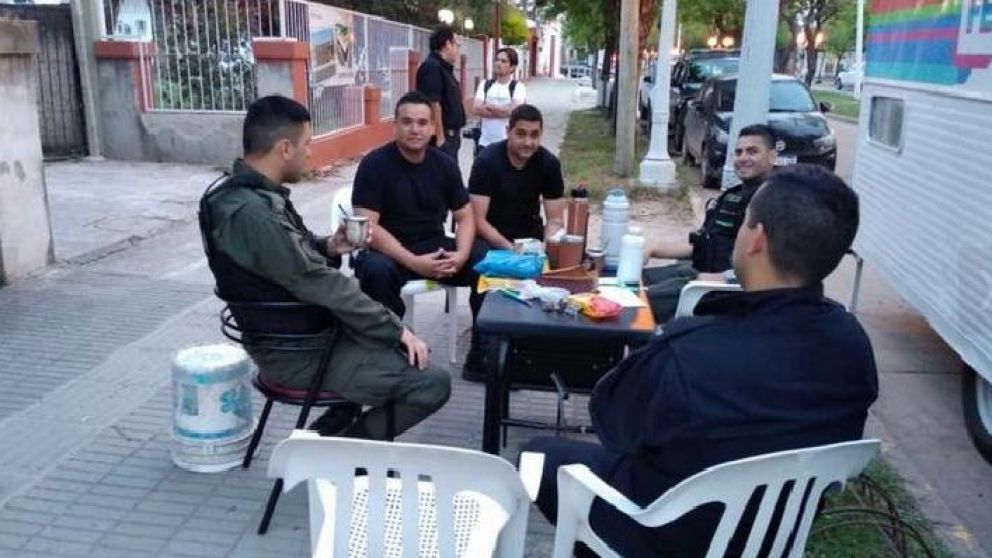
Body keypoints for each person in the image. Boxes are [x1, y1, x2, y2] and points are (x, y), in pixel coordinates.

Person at [524, 164, 879, 557]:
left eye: (744, 222)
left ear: (757, 239)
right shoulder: (853, 346)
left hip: (663, 533)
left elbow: (614, 427)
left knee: (538, 456)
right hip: (773, 538)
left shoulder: (690, 352)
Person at [199, 95, 450, 440]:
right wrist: (395, 329)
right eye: (306, 144)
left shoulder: (244, 195)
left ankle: (340, 421)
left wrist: (329, 245)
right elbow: (319, 281)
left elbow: (285, 260)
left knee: (402, 345)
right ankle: (338, 453)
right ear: (285, 148)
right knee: (432, 382)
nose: (310, 152)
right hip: (298, 352)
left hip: (305, 334)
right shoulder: (252, 212)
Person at [351, 91, 486, 363]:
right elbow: (369, 228)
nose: (415, 129)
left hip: (433, 248)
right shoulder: (374, 165)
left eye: (422, 122)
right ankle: (394, 347)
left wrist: (461, 255)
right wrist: (414, 262)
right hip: (388, 251)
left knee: (485, 260)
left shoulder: (444, 164)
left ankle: (483, 352)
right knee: (375, 270)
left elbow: (465, 216)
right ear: (395, 126)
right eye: (407, 122)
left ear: (433, 127)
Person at [643, 124, 778, 322]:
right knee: (633, 279)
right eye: (739, 152)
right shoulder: (732, 195)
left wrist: (726, 277)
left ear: (772, 156)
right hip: (699, 270)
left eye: (752, 151)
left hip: (724, 290)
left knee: (637, 303)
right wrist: (652, 247)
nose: (743, 158)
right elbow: (703, 243)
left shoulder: (776, 201)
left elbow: (777, 264)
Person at [468, 104, 565, 250]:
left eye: (534, 135)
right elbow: (477, 220)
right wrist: (511, 249)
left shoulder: (549, 164)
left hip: (531, 239)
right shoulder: (486, 161)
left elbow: (555, 220)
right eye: (521, 134)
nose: (528, 142)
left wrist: (547, 246)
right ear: (508, 132)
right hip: (489, 240)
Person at [416, 24, 466, 162]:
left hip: (451, 137)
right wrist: (440, 138)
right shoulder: (432, 67)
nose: (457, 51)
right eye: (456, 45)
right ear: (448, 44)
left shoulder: (444, 68)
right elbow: (433, 103)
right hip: (442, 137)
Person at [470, 47, 527, 157]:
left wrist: (489, 106)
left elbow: (514, 111)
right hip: (484, 143)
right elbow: (476, 109)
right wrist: (504, 110)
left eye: (503, 61)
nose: (498, 63)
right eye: (497, 60)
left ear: (512, 67)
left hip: (507, 144)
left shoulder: (518, 87)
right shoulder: (485, 84)